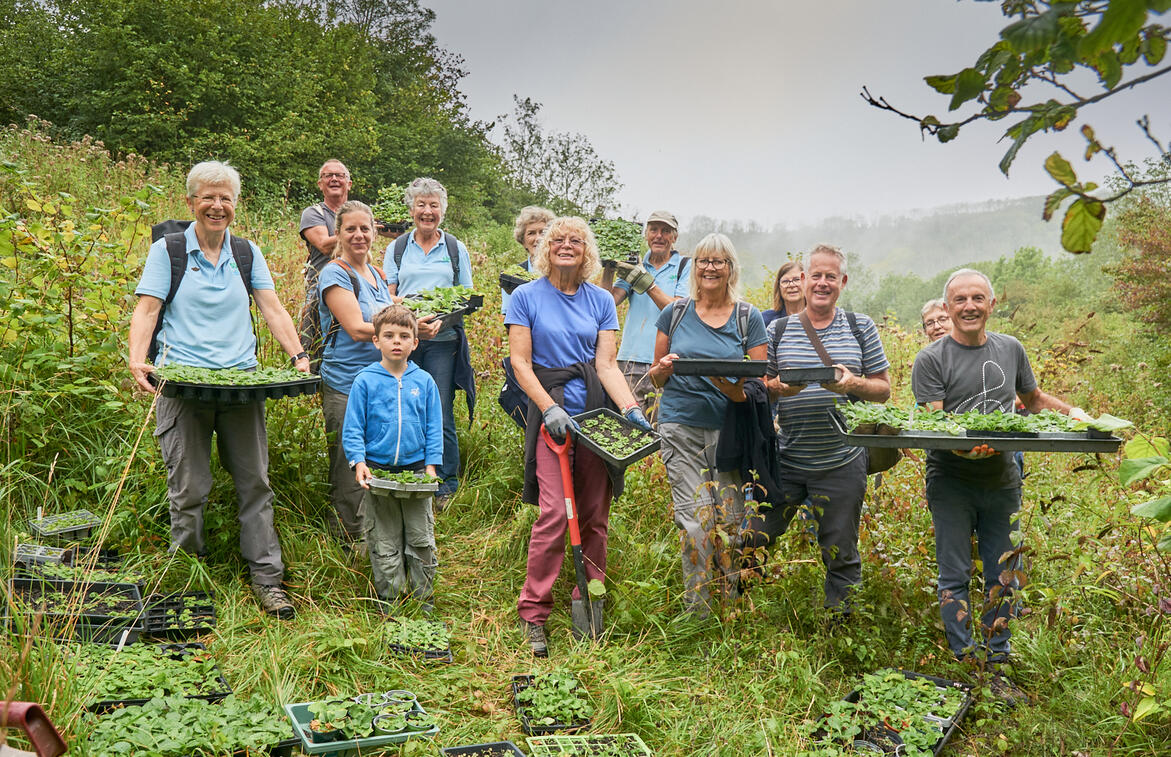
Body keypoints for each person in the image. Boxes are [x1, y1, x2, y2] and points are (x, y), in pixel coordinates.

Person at [127, 161, 308, 619]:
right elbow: (147, 310)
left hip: (240, 387)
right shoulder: (168, 251)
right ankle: (187, 579)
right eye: (208, 196)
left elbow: (273, 308)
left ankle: (267, 580)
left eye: (225, 197)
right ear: (190, 202)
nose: (217, 205)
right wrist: (136, 357)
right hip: (183, 387)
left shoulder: (246, 253)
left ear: (235, 205)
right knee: (188, 487)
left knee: (255, 484)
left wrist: (298, 356)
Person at [911, 268, 1087, 699]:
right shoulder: (931, 359)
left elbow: (1034, 400)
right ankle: (965, 660)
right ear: (948, 308)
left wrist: (1079, 415)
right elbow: (934, 425)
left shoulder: (1011, 349)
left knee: (1005, 571)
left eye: (977, 298)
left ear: (991, 304)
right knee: (953, 573)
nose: (969, 306)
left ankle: (998, 660)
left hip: (1002, 479)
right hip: (951, 481)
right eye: (959, 300)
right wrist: (963, 451)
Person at [507, 216, 651, 656]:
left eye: (576, 241)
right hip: (551, 412)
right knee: (554, 513)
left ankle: (588, 600)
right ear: (544, 247)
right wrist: (549, 408)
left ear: (587, 252)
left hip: (596, 416)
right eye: (558, 239)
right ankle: (534, 612)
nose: (566, 246)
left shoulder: (601, 301)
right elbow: (520, 363)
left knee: (594, 515)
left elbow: (607, 365)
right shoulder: (526, 297)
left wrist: (631, 408)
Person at [755, 244, 891, 618]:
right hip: (787, 458)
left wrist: (853, 385)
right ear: (803, 279)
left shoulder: (859, 326)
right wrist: (778, 388)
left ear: (842, 281)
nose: (822, 282)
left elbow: (883, 389)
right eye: (815, 275)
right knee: (755, 535)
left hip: (842, 460)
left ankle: (842, 629)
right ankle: (741, 614)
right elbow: (759, 385)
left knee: (841, 551)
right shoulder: (778, 329)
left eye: (831, 276)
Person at [648, 233, 768, 616]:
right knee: (697, 522)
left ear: (731, 269)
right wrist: (664, 369)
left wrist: (729, 387)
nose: (710, 268)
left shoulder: (748, 317)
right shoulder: (675, 313)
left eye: (719, 261)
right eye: (703, 260)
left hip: (729, 431)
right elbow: (656, 378)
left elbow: (758, 383)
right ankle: (697, 611)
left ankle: (730, 605)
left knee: (730, 523)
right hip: (680, 425)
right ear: (694, 267)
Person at [344, 305, 443, 609]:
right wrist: (359, 462)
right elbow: (353, 428)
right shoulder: (365, 381)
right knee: (384, 540)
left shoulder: (424, 381)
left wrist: (430, 466)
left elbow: (434, 427)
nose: (396, 341)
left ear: (416, 342)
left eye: (404, 335)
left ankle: (422, 600)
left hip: (416, 474)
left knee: (420, 537)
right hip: (378, 474)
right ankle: (389, 600)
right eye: (388, 335)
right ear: (376, 341)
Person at [384, 177, 475, 504]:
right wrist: (408, 318)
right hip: (404, 343)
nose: (427, 211)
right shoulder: (396, 248)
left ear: (442, 211)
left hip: (442, 343)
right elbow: (387, 296)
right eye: (421, 205)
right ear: (411, 209)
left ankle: (446, 481)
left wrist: (442, 320)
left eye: (433, 205)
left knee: (439, 411)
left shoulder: (454, 248)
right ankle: (407, 473)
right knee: (403, 407)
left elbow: (466, 296)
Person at [317, 200, 395, 546]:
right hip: (345, 384)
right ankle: (349, 541)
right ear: (339, 233)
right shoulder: (335, 273)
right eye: (351, 229)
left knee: (376, 457)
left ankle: (376, 535)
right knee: (350, 462)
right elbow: (356, 327)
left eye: (365, 228)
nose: (359, 235)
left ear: (375, 232)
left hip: (378, 382)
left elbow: (390, 321)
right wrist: (407, 329)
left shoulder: (377, 274)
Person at [609, 210, 691, 414]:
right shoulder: (635, 264)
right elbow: (609, 303)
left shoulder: (684, 266)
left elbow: (676, 310)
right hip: (629, 360)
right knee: (629, 429)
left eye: (666, 231)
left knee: (661, 428)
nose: (659, 236)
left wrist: (645, 281)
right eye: (653, 230)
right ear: (646, 234)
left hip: (666, 363)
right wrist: (608, 267)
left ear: (675, 237)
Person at [501, 206, 554, 315]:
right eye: (531, 233)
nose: (538, 238)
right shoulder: (512, 276)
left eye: (543, 232)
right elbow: (508, 317)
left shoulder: (565, 271)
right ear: (523, 241)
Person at [762, 260, 805, 328]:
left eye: (797, 279)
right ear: (778, 287)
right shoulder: (765, 320)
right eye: (785, 281)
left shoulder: (821, 317)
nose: (791, 285)